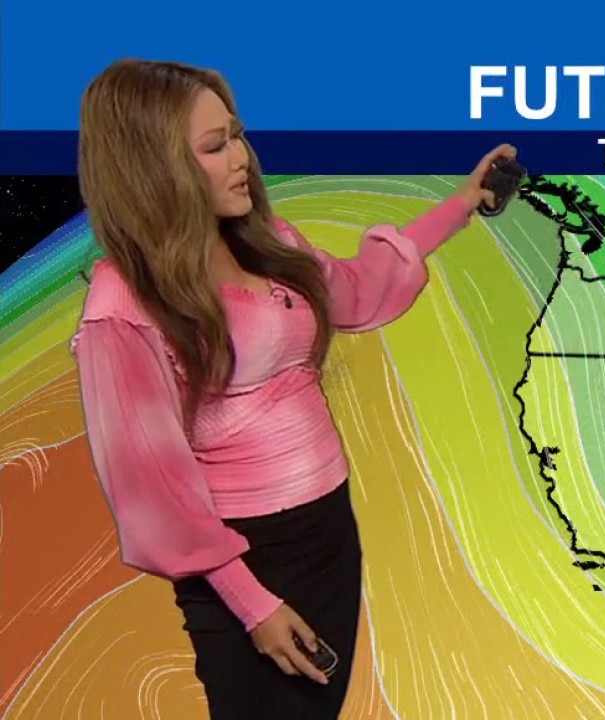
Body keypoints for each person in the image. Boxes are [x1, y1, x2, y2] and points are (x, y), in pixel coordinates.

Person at [69, 58, 514, 719]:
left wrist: (461, 204)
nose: (242, 159)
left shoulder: (268, 244)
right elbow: (150, 486)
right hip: (249, 563)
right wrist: (254, 606)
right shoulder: (123, 308)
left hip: (327, 532)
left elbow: (359, 288)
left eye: (238, 135)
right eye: (215, 146)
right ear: (152, 167)